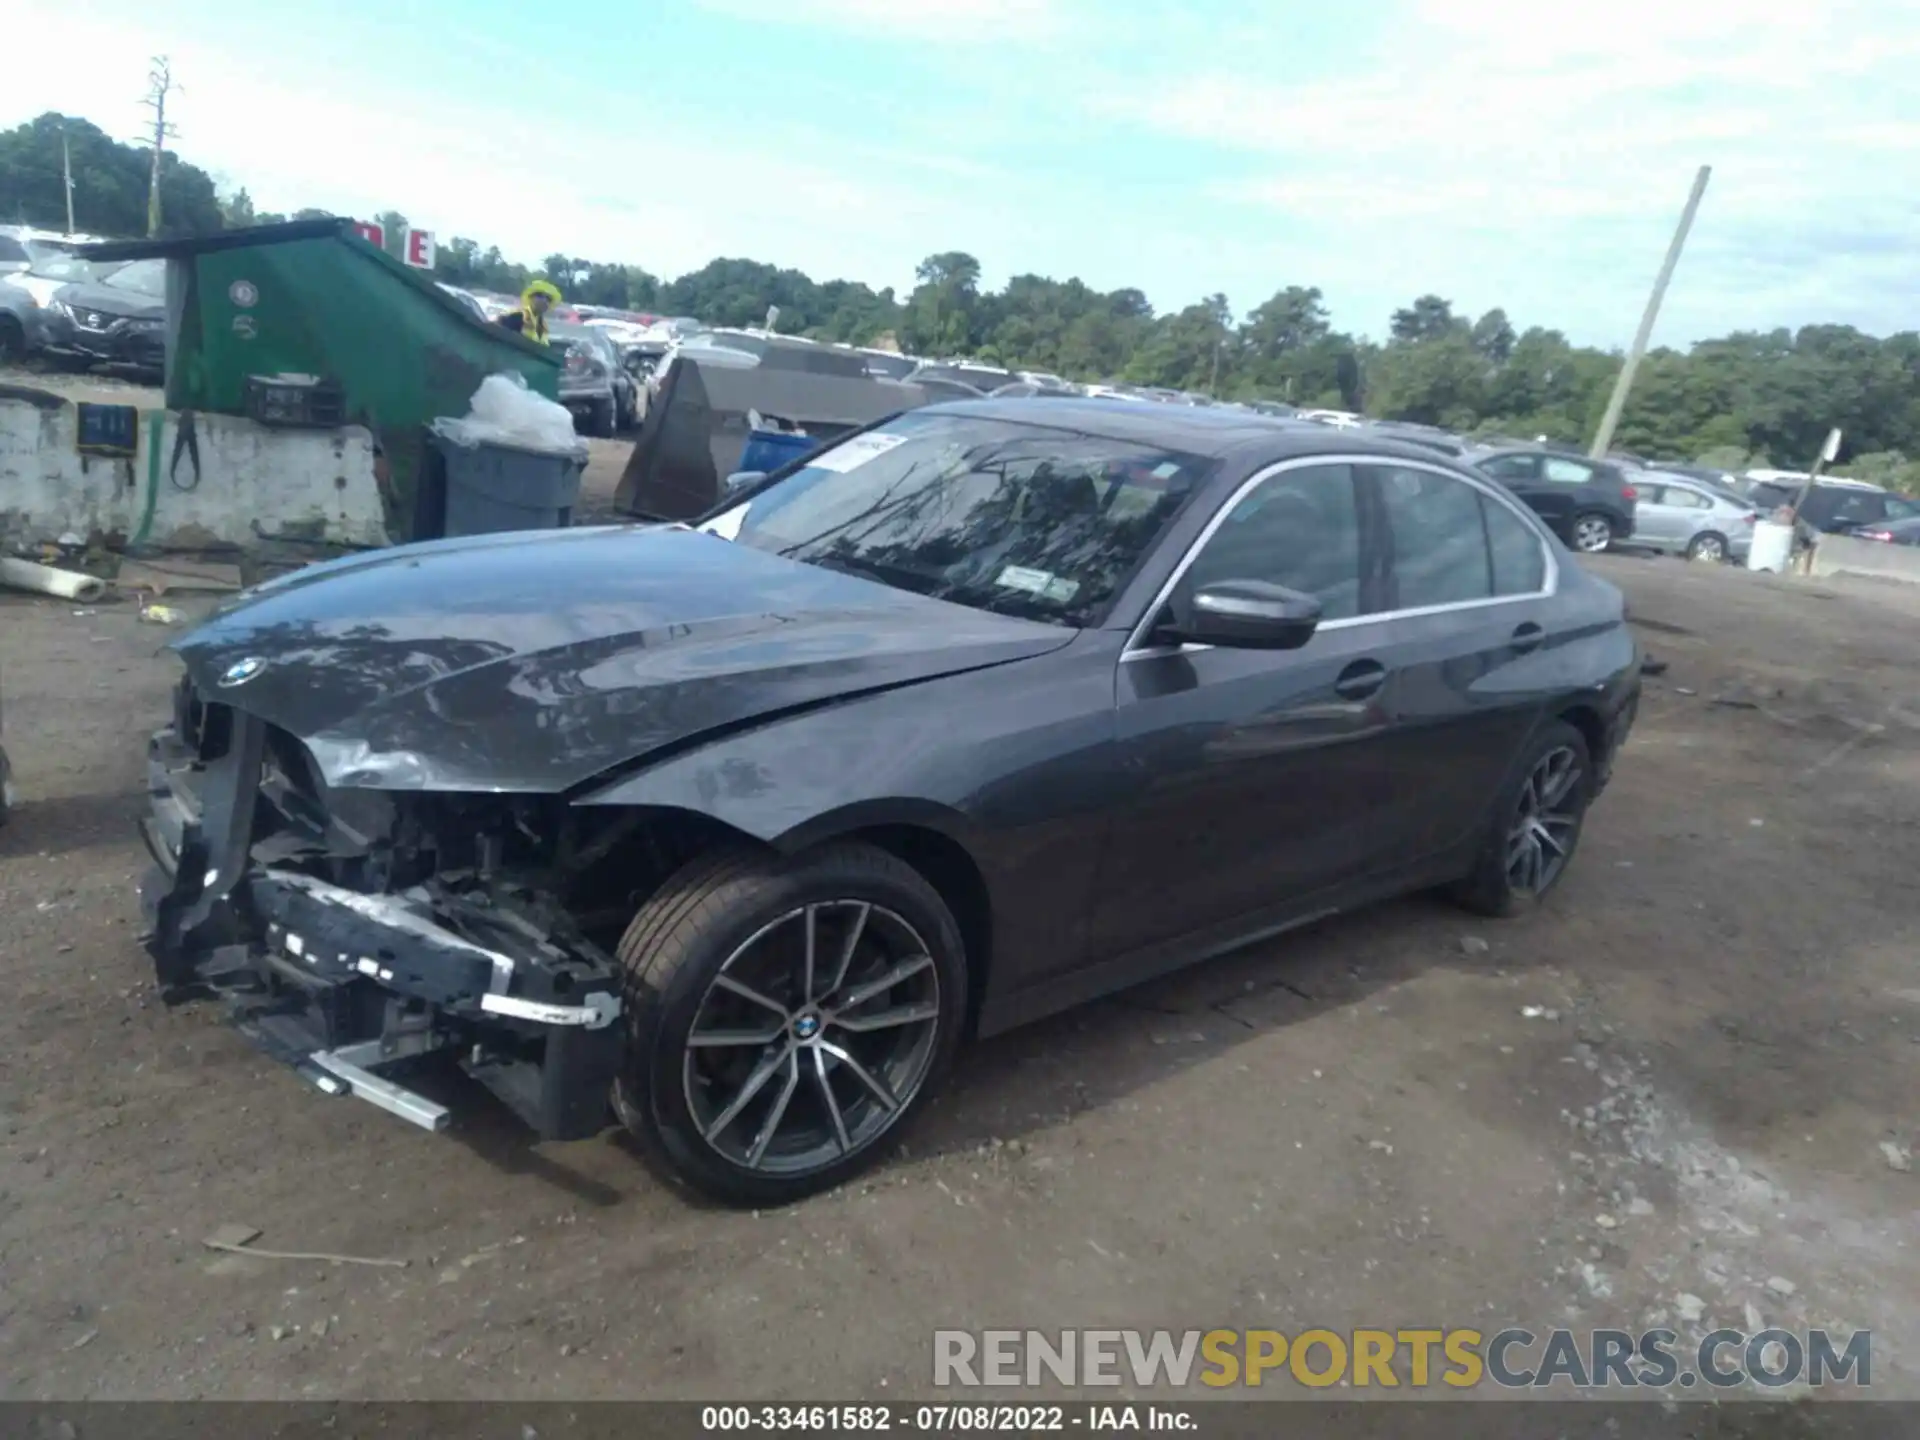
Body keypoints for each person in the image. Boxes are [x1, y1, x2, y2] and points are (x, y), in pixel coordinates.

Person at [498, 279, 561, 344]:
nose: (544, 300)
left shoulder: (543, 325)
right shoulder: (517, 316)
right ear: (530, 298)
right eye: (539, 295)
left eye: (548, 299)